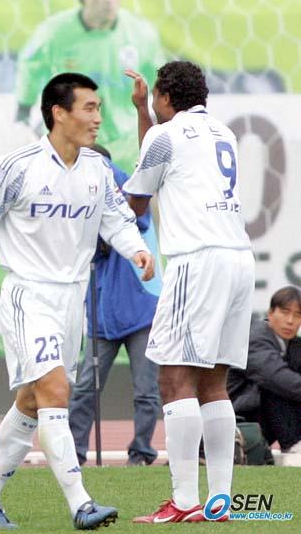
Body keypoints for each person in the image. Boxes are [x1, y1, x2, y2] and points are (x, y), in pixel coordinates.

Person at [0, 72, 155, 529]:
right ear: (59, 113)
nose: (98, 118)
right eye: (89, 108)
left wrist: (136, 250)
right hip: (28, 295)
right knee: (54, 391)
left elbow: (117, 219)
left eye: (99, 109)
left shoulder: (97, 168)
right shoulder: (18, 166)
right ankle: (81, 504)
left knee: (31, 401)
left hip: (72, 301)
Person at [123, 61, 255, 523]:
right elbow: (161, 161)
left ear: (164, 96)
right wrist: (144, 112)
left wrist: (141, 116)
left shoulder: (166, 136)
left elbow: (138, 199)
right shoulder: (223, 132)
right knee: (213, 383)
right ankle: (219, 503)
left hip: (196, 260)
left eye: (154, 98)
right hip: (238, 258)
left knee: (173, 378)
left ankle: (182, 502)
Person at [68, 144, 161, 467]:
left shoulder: (117, 180)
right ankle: (75, 452)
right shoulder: (74, 190)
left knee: (146, 390)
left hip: (140, 312)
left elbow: (136, 219)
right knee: (85, 388)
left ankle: (141, 452)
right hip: (101, 316)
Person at [15, 0, 165, 173]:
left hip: (126, 145)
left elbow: (160, 81)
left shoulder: (141, 33)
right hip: (70, 143)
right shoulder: (54, 32)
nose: (109, 2)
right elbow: (31, 65)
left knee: (128, 187)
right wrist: (24, 106)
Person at [228, 286, 301, 455]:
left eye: (298, 315)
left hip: (261, 417)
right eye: (285, 312)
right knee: (279, 386)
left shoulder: (294, 345)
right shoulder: (255, 339)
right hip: (238, 418)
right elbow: (279, 379)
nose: (290, 321)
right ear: (270, 313)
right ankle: (294, 444)